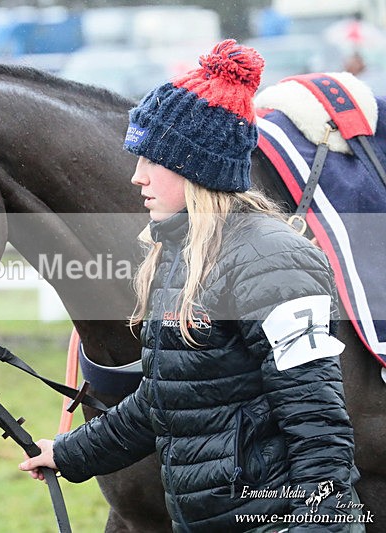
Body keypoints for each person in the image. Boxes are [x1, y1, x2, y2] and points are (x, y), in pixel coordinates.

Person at [19, 40, 361, 532]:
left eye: (152, 161)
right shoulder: (179, 255)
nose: (136, 178)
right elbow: (165, 398)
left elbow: (319, 428)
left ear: (196, 169)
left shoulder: (273, 262)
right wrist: (70, 455)